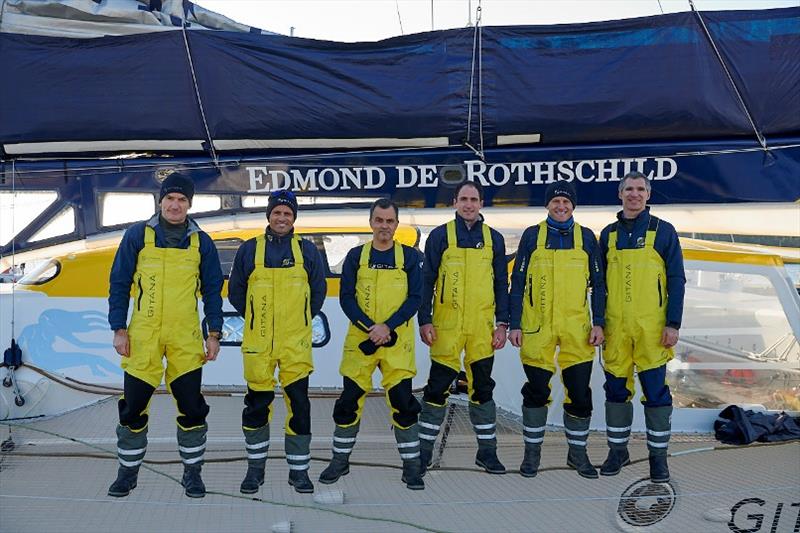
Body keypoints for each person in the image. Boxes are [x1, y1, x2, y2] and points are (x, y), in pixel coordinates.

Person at [107, 172, 224, 499]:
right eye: (170, 199)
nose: (175, 205)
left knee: (192, 407)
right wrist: (119, 328)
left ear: (189, 205)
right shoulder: (136, 236)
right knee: (132, 407)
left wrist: (213, 333)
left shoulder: (202, 241)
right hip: (142, 336)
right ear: (160, 201)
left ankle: (193, 474)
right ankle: (127, 474)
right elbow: (119, 284)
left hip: (185, 338)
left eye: (182, 200)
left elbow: (213, 291)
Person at [318, 199, 425, 490]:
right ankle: (340, 461)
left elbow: (415, 298)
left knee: (404, 404)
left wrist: (387, 327)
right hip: (361, 341)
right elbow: (346, 299)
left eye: (390, 221)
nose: (384, 227)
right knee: (348, 402)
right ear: (371, 222)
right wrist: (371, 328)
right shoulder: (356, 256)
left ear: (396, 225)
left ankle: (412, 467)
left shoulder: (410, 258)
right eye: (379, 220)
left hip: (396, 342)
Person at [228, 189, 326, 494]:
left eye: (287, 213)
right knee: (256, 406)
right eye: (277, 212)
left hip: (295, 344)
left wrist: (297, 321)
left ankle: (299, 472)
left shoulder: (307, 251)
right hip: (258, 344)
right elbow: (236, 292)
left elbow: (318, 293)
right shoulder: (249, 250)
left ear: (294, 217)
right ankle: (255, 470)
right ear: (268, 215)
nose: (281, 218)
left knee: (300, 407)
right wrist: (257, 318)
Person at [508, 180, 606, 479]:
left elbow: (599, 285)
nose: (560, 207)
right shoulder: (532, 236)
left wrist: (599, 322)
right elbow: (518, 283)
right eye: (555, 202)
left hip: (577, 330)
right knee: (536, 392)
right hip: (537, 329)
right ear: (547, 205)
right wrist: (514, 324)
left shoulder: (587, 238)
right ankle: (531, 456)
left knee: (579, 394)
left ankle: (578, 455)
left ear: (573, 206)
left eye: (566, 202)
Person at [417, 180, 510, 475]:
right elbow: (426, 281)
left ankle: (487, 453)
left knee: (482, 389)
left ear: (481, 203)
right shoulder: (440, 236)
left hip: (482, 329)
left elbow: (500, 285)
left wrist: (503, 324)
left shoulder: (494, 238)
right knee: (436, 389)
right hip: (446, 328)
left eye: (474, 199)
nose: (469, 204)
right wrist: (425, 319)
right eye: (463, 199)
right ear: (454, 202)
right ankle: (423, 453)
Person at [599, 171, 685, 483]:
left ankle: (658, 460)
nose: (634, 194)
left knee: (656, 393)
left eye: (640, 189)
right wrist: (598, 323)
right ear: (619, 195)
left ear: (648, 195)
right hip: (616, 330)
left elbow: (677, 280)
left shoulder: (664, 231)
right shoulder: (608, 234)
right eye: (629, 189)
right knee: (616, 391)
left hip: (653, 330)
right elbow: (598, 284)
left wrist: (673, 323)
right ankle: (617, 451)